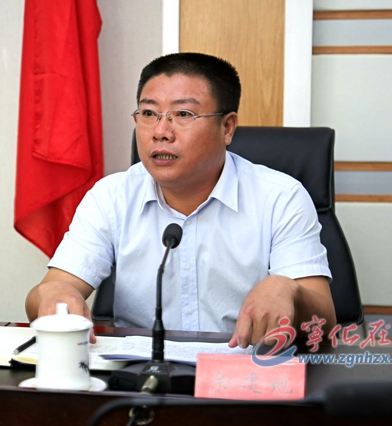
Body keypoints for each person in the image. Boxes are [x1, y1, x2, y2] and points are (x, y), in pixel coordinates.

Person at [25, 52, 336, 348]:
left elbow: (323, 324)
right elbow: (43, 296)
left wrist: (290, 292)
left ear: (227, 127)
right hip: (139, 374)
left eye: (183, 114)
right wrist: (54, 293)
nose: (160, 131)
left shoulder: (280, 198)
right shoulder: (111, 197)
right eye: (149, 114)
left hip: (245, 371)